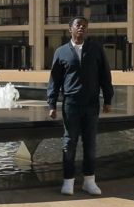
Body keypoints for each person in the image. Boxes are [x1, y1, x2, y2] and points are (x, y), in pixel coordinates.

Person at [47, 17, 114, 196]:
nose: (81, 28)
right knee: (69, 143)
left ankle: (89, 181)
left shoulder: (96, 49)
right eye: (78, 25)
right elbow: (55, 80)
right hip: (71, 104)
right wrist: (52, 103)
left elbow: (105, 76)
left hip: (92, 104)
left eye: (85, 26)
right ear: (70, 29)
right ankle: (68, 181)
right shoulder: (61, 52)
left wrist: (108, 99)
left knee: (90, 143)